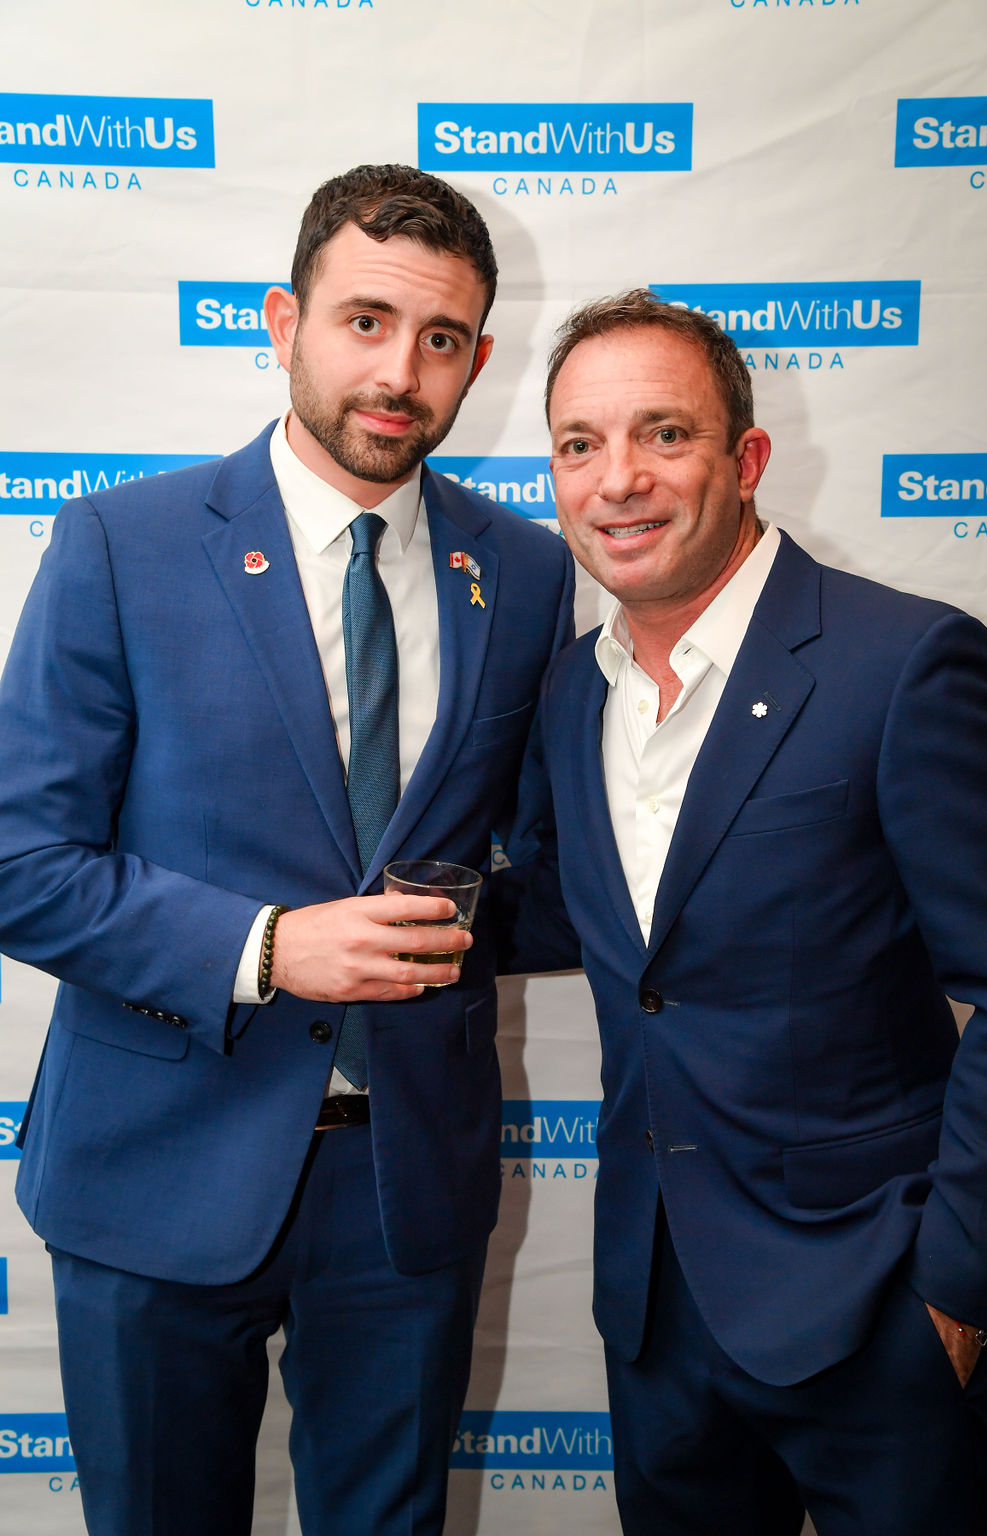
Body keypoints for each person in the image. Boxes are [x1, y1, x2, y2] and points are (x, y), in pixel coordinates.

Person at [0, 164, 574, 1536]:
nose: (400, 373)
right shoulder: (122, 544)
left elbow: (547, 872)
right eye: (365, 321)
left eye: (441, 339)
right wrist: (268, 948)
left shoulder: (527, 571)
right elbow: (21, 862)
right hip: (157, 1167)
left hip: (406, 1186)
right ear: (283, 321)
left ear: (479, 358)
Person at [500, 288, 987, 1535]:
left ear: (745, 460)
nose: (617, 480)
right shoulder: (571, 688)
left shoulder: (904, 664)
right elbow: (601, 921)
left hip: (872, 1306)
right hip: (653, 1315)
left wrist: (954, 1292)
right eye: (579, 445)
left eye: (662, 434)